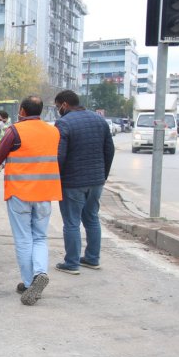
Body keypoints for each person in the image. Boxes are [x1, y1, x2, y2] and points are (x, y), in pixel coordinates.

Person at [0, 97, 61, 306]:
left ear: (21, 110)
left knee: (23, 239)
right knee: (39, 237)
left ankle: (30, 283)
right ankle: (40, 273)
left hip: (20, 193)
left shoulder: (15, 131)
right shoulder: (54, 131)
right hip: (45, 193)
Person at [52, 90, 115, 274]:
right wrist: (103, 176)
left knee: (72, 222)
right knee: (92, 218)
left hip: (72, 183)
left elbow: (60, 156)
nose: (58, 110)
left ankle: (71, 263)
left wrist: (57, 178)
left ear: (64, 104)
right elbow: (109, 150)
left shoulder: (63, 123)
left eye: (57, 107)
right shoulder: (99, 120)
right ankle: (92, 259)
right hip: (96, 181)